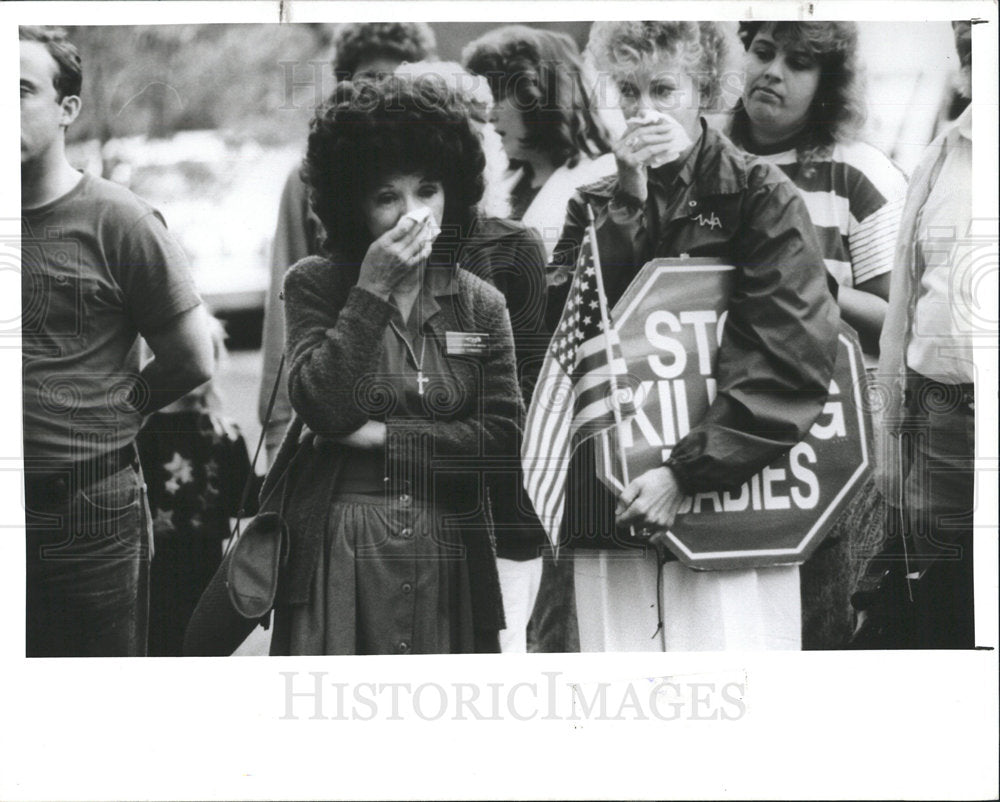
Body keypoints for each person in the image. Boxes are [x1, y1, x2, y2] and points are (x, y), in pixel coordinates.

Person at [546, 21, 840, 651]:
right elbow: (568, 341)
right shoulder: (591, 200)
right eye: (628, 90)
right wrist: (627, 202)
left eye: (663, 88)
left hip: (733, 497)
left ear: (706, 88)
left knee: (734, 669)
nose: (644, 110)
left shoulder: (762, 195)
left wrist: (687, 474)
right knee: (621, 682)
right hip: (616, 499)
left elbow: (787, 352)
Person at [265, 76, 533, 654]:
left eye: (427, 190)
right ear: (353, 204)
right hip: (337, 554)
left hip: (447, 549)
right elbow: (323, 403)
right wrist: (373, 290)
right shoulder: (315, 283)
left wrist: (383, 437)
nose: (412, 215)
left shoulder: (480, 303)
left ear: (453, 194)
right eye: (387, 197)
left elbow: (501, 442)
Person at [20, 27, 214, 657]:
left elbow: (191, 359)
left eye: (19, 90)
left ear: (66, 109)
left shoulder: (119, 219)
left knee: (93, 702)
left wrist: (102, 412)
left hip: (86, 510)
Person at [727, 21, 909, 649]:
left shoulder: (859, 172)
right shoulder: (699, 158)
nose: (772, 71)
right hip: (721, 433)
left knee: (814, 630)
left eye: (800, 62)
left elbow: (901, 322)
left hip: (828, 446)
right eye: (762, 51)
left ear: (829, 82)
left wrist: (816, 287)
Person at [462, 25, 619, 653]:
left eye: (503, 94)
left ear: (540, 94)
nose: (491, 113)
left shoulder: (592, 181)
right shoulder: (514, 185)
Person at [258, 22, 438, 464]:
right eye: (373, 78)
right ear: (347, 84)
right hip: (333, 394)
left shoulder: (439, 174)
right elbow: (285, 301)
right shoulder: (311, 178)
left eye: (401, 76)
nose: (387, 89)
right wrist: (278, 422)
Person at [852, 21, 976, 650]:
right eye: (967, 43)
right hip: (944, 414)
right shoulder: (943, 155)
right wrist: (893, 423)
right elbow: (902, 304)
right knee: (940, 599)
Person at [136, 317, 258, 656]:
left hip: (206, 566)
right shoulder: (141, 436)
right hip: (154, 569)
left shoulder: (225, 433)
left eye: (207, 355)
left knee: (203, 647)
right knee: (160, 645)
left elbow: (244, 504)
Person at [463, 25, 616, 262]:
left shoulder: (601, 178)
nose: (488, 115)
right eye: (484, 100)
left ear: (542, 98)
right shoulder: (501, 179)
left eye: (499, 97)